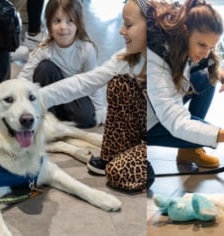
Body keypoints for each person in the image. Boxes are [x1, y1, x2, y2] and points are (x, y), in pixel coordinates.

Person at [38, 0, 148, 192]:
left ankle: (190, 150)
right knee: (119, 83)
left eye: (128, 25)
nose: (121, 31)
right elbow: (85, 82)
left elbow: (174, 115)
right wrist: (33, 98)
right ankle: (114, 150)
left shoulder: (172, 59)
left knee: (120, 173)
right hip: (145, 125)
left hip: (165, 126)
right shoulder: (125, 58)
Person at [146, 0, 224, 169]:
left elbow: (201, 63)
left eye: (211, 47)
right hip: (145, 123)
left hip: (158, 109)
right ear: (185, 32)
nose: (206, 54)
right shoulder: (156, 61)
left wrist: (218, 71)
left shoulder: (178, 45)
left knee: (208, 78)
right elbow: (175, 122)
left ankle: (188, 150)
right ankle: (190, 145)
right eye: (201, 45)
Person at [17, 0, 103, 128]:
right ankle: (49, 117)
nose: (63, 27)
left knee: (86, 118)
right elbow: (24, 77)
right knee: (45, 68)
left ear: (78, 24)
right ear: (49, 24)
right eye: (57, 21)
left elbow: (94, 82)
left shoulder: (86, 49)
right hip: (51, 97)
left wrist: (100, 109)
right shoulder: (44, 48)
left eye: (70, 21)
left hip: (74, 96)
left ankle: (56, 117)